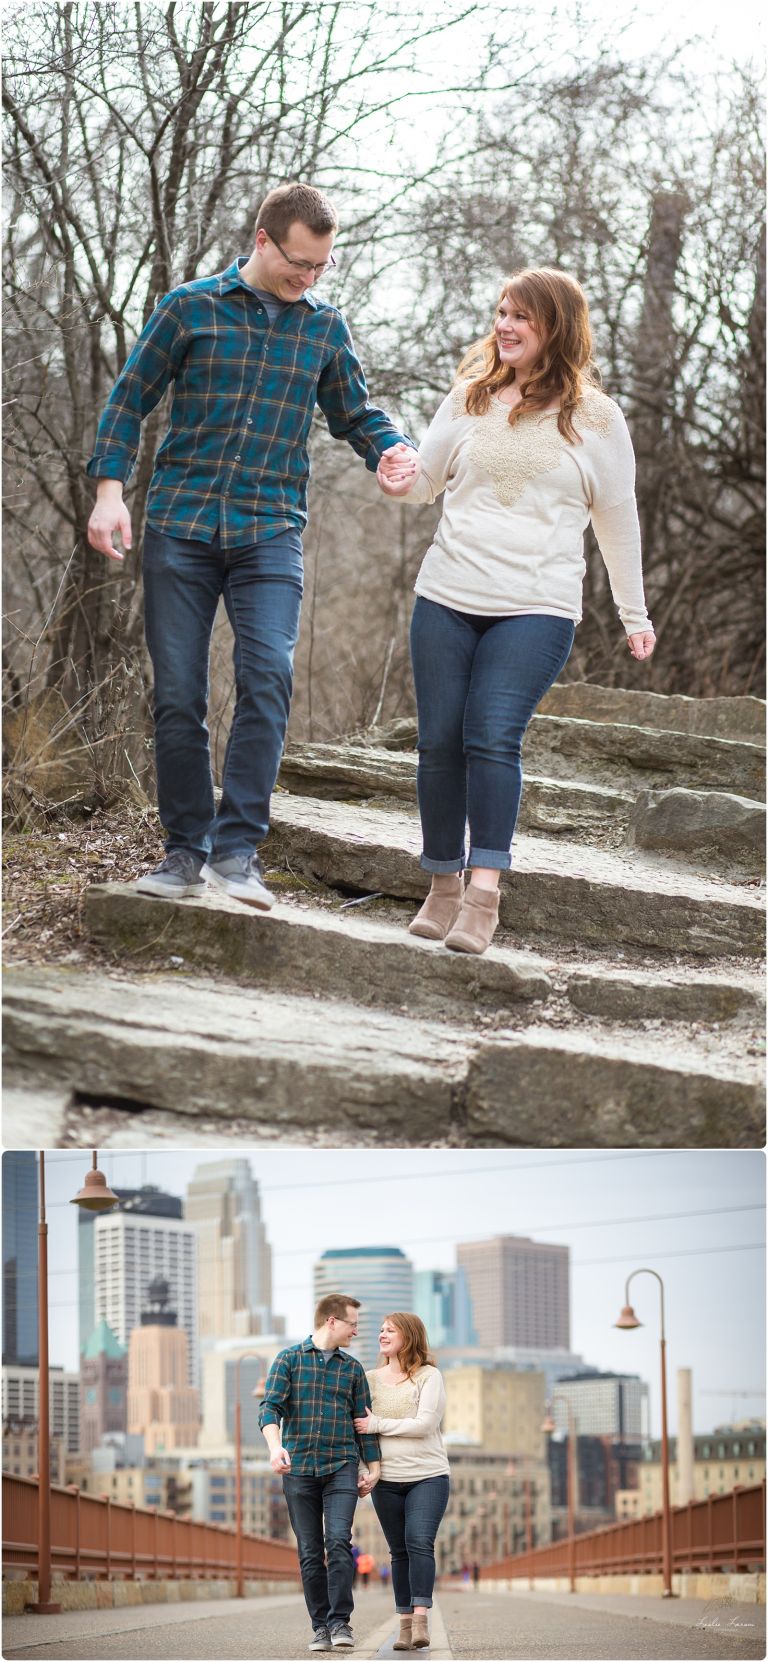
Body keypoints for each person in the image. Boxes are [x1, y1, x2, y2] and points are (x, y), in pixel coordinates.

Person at [86, 182, 414, 909]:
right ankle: (183, 852)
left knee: (267, 678)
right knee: (178, 695)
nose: (309, 279)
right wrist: (109, 492)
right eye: (299, 263)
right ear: (264, 241)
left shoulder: (322, 328)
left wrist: (391, 451)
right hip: (183, 526)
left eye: (322, 267)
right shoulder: (191, 307)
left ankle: (236, 855)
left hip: (270, 531)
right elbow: (129, 398)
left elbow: (355, 412)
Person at [376, 267, 656, 955]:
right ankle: (441, 885)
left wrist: (634, 612)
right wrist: (397, 481)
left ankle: (483, 893)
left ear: (555, 327)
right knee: (439, 741)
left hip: (536, 607)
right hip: (446, 595)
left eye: (521, 317)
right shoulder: (469, 397)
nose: (504, 325)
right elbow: (426, 486)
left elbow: (617, 521)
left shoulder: (597, 418)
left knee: (491, 735)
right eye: (501, 312)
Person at [259, 1294, 381, 1652]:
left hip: (341, 1465)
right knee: (310, 1551)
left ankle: (340, 1621)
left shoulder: (353, 1369)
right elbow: (270, 1408)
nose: (356, 1331)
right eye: (352, 1324)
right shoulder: (289, 1360)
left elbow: (364, 1424)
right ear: (331, 1321)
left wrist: (372, 1469)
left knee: (339, 1542)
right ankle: (320, 1627)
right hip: (298, 1469)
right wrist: (274, 1447)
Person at [353, 1312, 449, 1652]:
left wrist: (378, 1423)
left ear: (408, 1335)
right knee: (398, 1552)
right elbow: (359, 1430)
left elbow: (424, 1424)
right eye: (380, 1329)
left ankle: (422, 1619)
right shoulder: (368, 1379)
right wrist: (369, 1468)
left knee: (419, 1540)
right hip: (387, 1479)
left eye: (390, 1329)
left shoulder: (429, 1376)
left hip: (428, 1475)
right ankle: (404, 1628)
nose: (382, 1334)